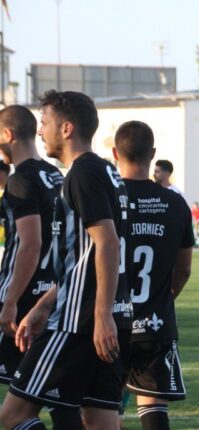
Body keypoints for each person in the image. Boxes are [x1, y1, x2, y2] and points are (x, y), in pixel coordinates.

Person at [0, 90, 132, 430]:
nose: (41, 131)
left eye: (45, 123)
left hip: (79, 322)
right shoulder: (105, 171)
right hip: (110, 315)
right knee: (99, 422)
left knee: (13, 416)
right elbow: (83, 258)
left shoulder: (82, 174)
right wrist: (43, 306)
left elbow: (107, 243)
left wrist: (100, 317)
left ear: (67, 129)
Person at [112, 121, 194, 430]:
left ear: (115, 153)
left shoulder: (106, 199)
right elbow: (184, 269)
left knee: (103, 410)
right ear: (153, 154)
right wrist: (164, 296)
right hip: (155, 322)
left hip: (110, 322)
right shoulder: (174, 203)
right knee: (153, 408)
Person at [0, 106, 64, 387]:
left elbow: (31, 243)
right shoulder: (57, 176)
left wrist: (10, 301)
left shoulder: (19, 180)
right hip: (52, 293)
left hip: (21, 295)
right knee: (45, 391)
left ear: (7, 134)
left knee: (20, 397)